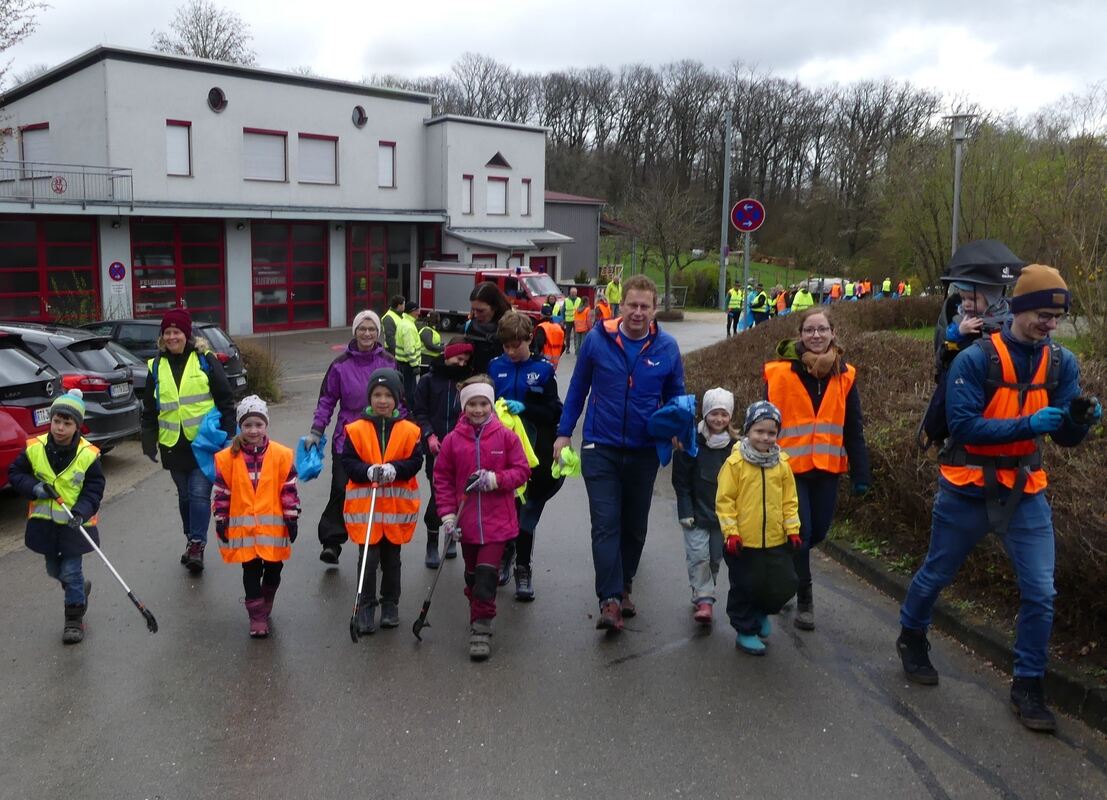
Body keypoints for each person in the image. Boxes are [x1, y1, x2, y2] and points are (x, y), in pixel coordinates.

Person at [897, 265, 1101, 733]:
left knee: (1041, 592)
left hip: (1025, 491)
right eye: (1044, 315)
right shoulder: (975, 360)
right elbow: (964, 426)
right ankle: (911, 635)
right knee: (937, 572)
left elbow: (1065, 437)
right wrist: (1030, 424)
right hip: (966, 488)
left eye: (1058, 317)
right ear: (1021, 308)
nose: (1051, 324)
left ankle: (1028, 684)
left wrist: (1079, 420)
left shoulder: (1062, 363)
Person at [554, 274, 686, 632]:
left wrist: (678, 427)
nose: (638, 312)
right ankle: (609, 599)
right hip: (601, 446)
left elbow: (676, 393)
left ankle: (625, 584)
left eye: (645, 306)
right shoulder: (597, 340)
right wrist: (564, 433)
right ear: (620, 306)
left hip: (644, 450)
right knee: (605, 522)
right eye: (632, 305)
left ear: (654, 309)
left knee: (635, 526)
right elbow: (578, 387)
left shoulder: (667, 347)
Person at [763, 308, 870, 631]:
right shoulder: (780, 372)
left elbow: (853, 427)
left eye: (822, 329)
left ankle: (784, 566)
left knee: (819, 532)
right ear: (800, 334)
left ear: (833, 333)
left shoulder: (845, 375)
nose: (816, 335)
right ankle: (804, 598)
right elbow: (763, 422)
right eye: (809, 329)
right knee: (802, 532)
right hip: (789, 469)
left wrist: (861, 473)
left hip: (826, 469)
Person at [434, 376, 531, 660]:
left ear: (491, 405)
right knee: (473, 575)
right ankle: (478, 606)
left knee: (487, 575)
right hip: (465, 522)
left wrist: (496, 479)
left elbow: (522, 471)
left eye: (483, 404)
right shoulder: (452, 441)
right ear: (464, 407)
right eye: (472, 404)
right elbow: (442, 479)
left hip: (497, 522)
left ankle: (481, 627)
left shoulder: (506, 436)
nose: (478, 410)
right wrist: (447, 516)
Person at [141, 308, 236, 573]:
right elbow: (149, 407)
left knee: (198, 494)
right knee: (184, 497)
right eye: (167, 332)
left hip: (204, 443)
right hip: (173, 444)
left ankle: (197, 544)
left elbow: (225, 399)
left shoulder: (205, 359)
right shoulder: (156, 366)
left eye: (177, 332)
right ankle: (191, 539)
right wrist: (148, 438)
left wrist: (230, 436)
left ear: (187, 334)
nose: (172, 337)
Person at [8, 389, 104, 644]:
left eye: (67, 423)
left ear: (77, 426)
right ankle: (79, 588)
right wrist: (35, 488)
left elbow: (94, 489)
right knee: (54, 569)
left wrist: (81, 512)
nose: (60, 428)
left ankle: (73, 618)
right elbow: (16, 473)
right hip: (45, 526)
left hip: (74, 527)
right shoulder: (35, 448)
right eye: (56, 421)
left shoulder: (87, 455)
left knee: (71, 571)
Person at [307, 310, 396, 565]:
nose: (367, 333)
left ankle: (378, 542)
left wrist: (406, 430)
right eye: (362, 329)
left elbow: (400, 399)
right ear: (355, 331)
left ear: (378, 333)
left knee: (377, 492)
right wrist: (316, 431)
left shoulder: (389, 362)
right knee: (340, 488)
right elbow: (327, 400)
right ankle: (332, 542)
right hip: (346, 438)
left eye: (371, 329)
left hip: (380, 435)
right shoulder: (340, 365)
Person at [489, 312, 565, 600]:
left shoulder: (543, 370)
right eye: (506, 346)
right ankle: (505, 555)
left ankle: (523, 567)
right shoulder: (495, 366)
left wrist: (526, 409)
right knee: (504, 509)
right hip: (501, 451)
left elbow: (554, 411)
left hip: (535, 450)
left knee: (527, 512)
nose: (511, 352)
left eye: (516, 346)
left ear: (529, 339)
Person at [716, 401, 802, 655]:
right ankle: (745, 629)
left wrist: (792, 529)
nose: (765, 437)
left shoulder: (782, 464)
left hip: (775, 540)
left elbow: (789, 501)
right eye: (759, 431)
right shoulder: (735, 464)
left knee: (782, 583)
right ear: (748, 431)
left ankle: (761, 611)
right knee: (745, 587)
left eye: (771, 432)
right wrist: (731, 533)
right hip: (744, 543)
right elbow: (725, 501)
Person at [342, 368, 424, 635]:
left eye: (388, 395)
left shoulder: (410, 430)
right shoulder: (355, 430)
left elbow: (415, 462)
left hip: (395, 511)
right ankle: (366, 606)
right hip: (366, 510)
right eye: (377, 395)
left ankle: (390, 605)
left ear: (397, 398)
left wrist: (395, 469)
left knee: (392, 561)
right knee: (368, 561)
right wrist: (366, 471)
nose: (382, 400)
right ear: (369, 397)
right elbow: (348, 462)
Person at [212, 396, 300, 638]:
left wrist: (291, 516)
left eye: (258, 425)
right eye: (247, 425)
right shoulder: (228, 458)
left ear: (266, 425)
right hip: (245, 532)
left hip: (273, 530)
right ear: (240, 426)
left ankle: (267, 598)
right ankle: (257, 616)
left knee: (274, 570)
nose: (253, 430)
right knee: (250, 572)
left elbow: (288, 488)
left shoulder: (281, 455)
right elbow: (222, 492)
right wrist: (221, 519)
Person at [671, 388, 737, 625]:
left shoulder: (735, 448)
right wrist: (685, 510)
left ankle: (704, 591)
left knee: (714, 558)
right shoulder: (692, 443)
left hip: (722, 516)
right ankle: (704, 599)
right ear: (705, 414)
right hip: (696, 513)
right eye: (714, 413)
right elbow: (681, 480)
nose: (719, 419)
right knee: (698, 556)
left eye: (724, 414)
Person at [413, 340, 474, 568]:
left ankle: (451, 537)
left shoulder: (467, 382)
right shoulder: (428, 381)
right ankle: (432, 541)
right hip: (436, 449)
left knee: (459, 495)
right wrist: (429, 435)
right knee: (439, 495)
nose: (462, 364)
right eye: (459, 359)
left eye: (465, 361)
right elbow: (419, 412)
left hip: (462, 449)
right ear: (448, 355)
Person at [465, 281, 513, 374]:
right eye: (473, 310)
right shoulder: (470, 326)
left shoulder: (513, 328)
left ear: (495, 307)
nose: (476, 315)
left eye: (480, 311)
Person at [395, 300, 422, 402]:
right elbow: (409, 349)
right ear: (412, 311)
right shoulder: (409, 327)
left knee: (405, 388)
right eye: (417, 310)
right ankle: (410, 408)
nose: (419, 313)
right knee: (410, 390)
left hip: (403, 362)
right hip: (408, 364)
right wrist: (415, 365)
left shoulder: (404, 322)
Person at [560, 288, 583, 353]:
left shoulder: (579, 300)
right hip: (568, 320)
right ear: (570, 293)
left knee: (576, 335)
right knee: (568, 336)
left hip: (577, 320)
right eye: (572, 292)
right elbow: (563, 310)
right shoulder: (566, 300)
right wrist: (563, 319)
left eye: (574, 292)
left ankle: (576, 348)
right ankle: (567, 348)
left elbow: (582, 309)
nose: (573, 294)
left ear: (576, 293)